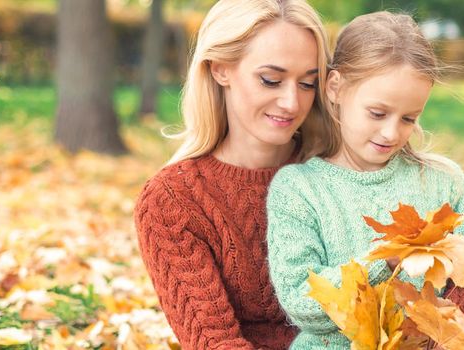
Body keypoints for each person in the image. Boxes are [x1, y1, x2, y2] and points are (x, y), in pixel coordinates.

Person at [265, 11, 464, 349]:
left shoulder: (440, 181)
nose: (392, 132)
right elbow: (302, 303)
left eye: (409, 118)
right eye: (377, 113)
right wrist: (384, 260)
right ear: (336, 88)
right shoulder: (299, 190)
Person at [132, 0, 331, 348]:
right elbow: (214, 342)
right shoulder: (173, 201)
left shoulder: (335, 174)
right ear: (220, 69)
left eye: (307, 84)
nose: (292, 102)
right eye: (271, 80)